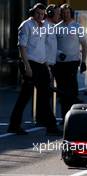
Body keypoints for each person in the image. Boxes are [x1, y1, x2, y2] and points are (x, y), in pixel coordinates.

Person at [7, 3, 60, 135]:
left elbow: (42, 48)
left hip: (41, 64)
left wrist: (46, 66)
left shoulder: (43, 26)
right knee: (26, 96)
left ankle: (50, 126)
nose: (40, 16)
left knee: (43, 95)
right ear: (32, 13)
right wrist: (27, 66)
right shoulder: (26, 25)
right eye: (37, 13)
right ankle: (15, 125)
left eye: (42, 14)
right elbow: (22, 47)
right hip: (30, 63)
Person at [54, 4, 87, 122]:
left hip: (73, 62)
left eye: (67, 12)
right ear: (60, 14)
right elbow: (52, 46)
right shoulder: (56, 27)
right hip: (60, 63)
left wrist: (83, 62)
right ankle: (64, 117)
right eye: (63, 12)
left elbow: (84, 45)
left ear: (70, 13)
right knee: (62, 92)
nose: (65, 15)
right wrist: (58, 53)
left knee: (72, 90)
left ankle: (74, 116)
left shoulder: (77, 27)